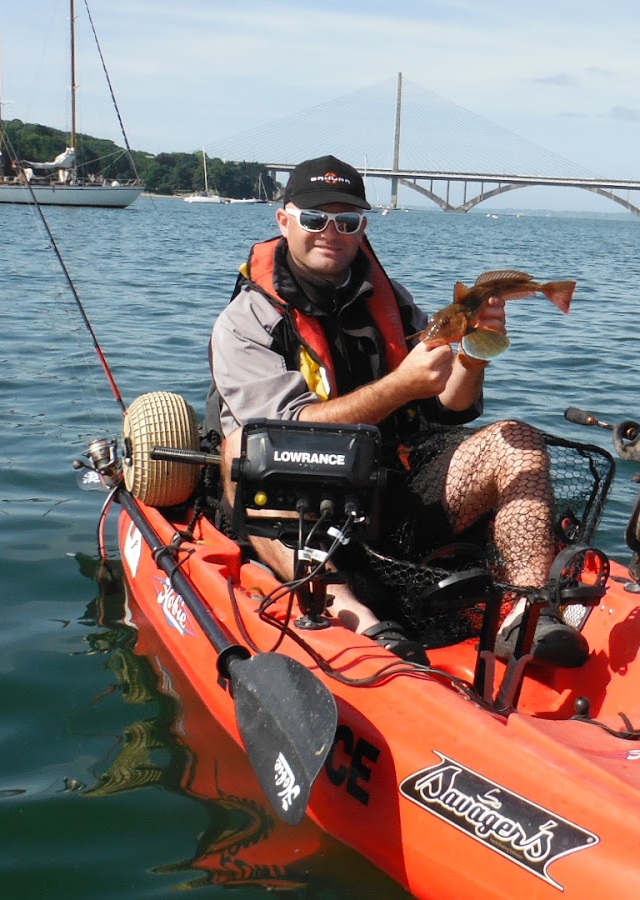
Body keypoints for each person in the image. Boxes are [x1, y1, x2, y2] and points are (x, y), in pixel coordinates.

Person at [205, 154, 587, 667]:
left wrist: (473, 356)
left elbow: (448, 410)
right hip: (298, 495)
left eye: (348, 221)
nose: (331, 233)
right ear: (284, 221)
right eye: (315, 219)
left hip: (390, 488)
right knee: (240, 453)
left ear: (362, 228)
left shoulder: (393, 300)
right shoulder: (246, 320)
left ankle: (526, 608)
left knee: (514, 442)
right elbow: (281, 433)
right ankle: (352, 614)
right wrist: (398, 387)